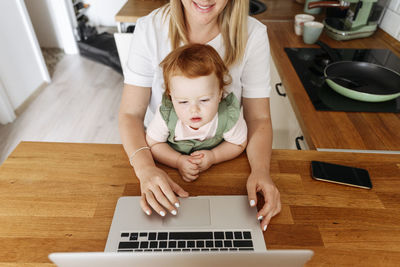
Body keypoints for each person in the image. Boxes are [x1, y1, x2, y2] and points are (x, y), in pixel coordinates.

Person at [119, 0, 281, 231]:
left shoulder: (253, 34)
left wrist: (261, 171)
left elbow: (259, 119)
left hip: (227, 164)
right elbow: (129, 114)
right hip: (159, 160)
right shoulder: (150, 28)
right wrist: (145, 169)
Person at [146, 43, 247, 183]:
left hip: (216, 176)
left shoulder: (228, 116)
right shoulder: (166, 115)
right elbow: (154, 144)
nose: (194, 110)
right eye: (183, 102)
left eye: (204, 100)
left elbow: (239, 144)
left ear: (219, 94)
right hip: (171, 174)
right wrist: (177, 161)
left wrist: (214, 156)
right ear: (171, 96)